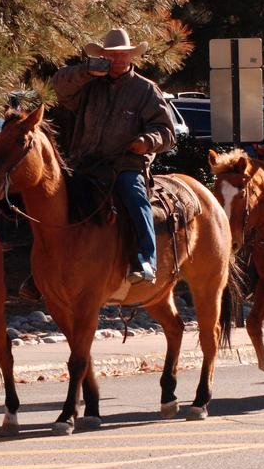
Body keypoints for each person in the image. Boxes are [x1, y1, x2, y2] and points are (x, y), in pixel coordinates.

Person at [52, 27, 176, 284]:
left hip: (125, 164)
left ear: (131, 57)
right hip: (85, 163)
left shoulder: (146, 90)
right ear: (104, 56)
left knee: (133, 195)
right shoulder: (88, 85)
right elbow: (60, 88)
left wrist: (147, 141)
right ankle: (46, 267)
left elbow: (167, 132)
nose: (118, 59)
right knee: (52, 200)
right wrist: (85, 70)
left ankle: (145, 260)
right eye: (111, 55)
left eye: (123, 55)